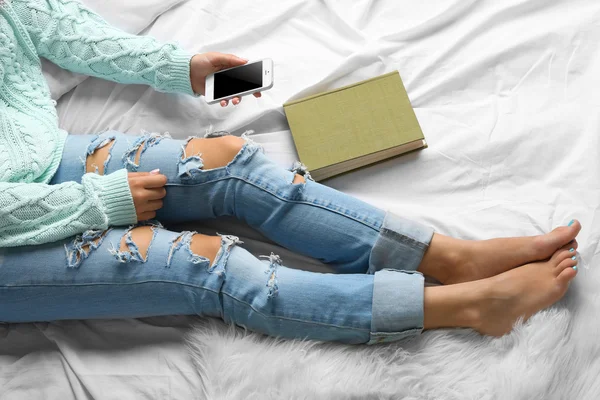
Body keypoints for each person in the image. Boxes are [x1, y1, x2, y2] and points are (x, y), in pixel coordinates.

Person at [0, 0, 581, 345]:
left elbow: (50, 24)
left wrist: (183, 67)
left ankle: (448, 258)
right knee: (208, 267)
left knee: (231, 163)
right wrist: (95, 205)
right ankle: (465, 308)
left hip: (41, 158)